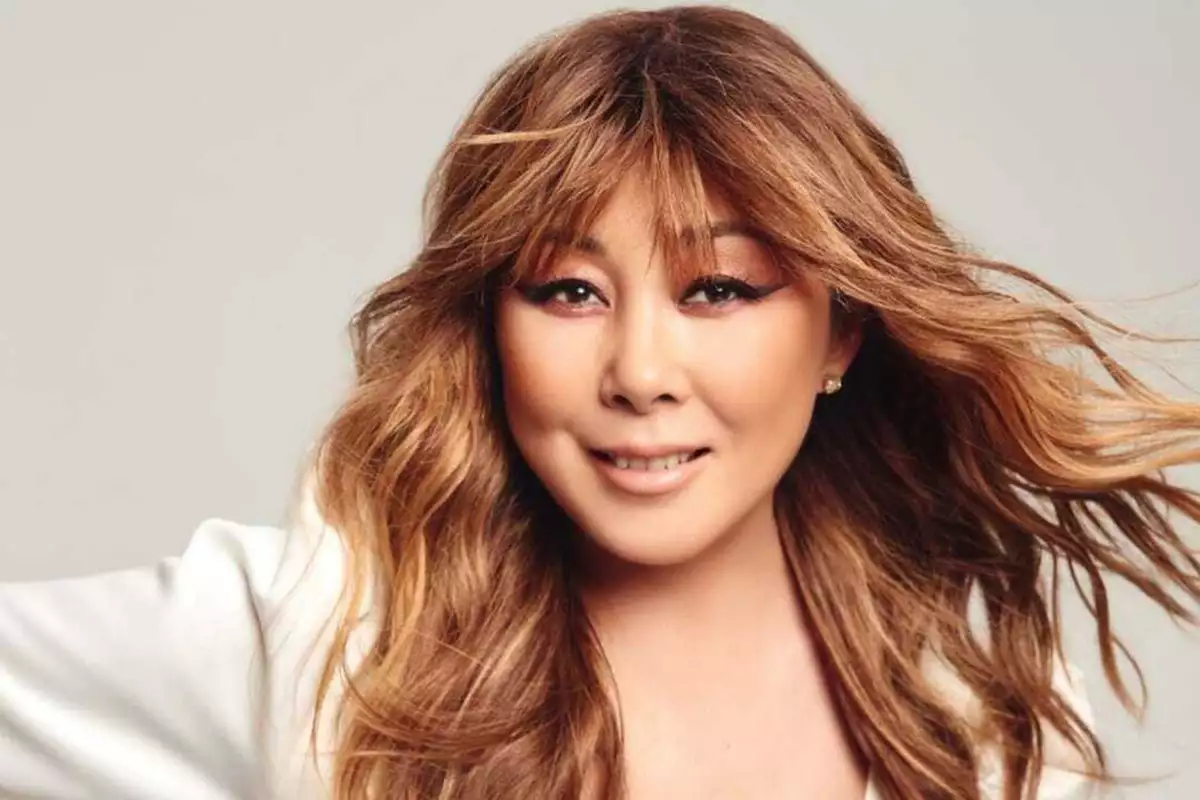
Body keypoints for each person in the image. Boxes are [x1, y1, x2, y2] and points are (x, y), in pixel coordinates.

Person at [2, 5, 1197, 799]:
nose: (639, 369)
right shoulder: (331, 643)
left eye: (717, 288)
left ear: (840, 329)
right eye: (569, 290)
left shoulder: (981, 712)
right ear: (491, 324)